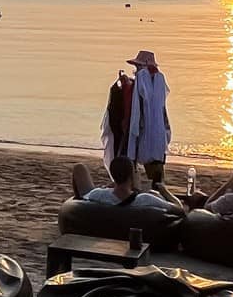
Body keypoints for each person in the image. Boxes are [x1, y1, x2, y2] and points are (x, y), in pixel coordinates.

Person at [122, 50, 171, 189]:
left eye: (138, 67)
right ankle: (157, 188)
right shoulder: (158, 84)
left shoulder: (144, 81)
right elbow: (162, 112)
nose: (136, 70)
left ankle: (142, 188)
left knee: (151, 169)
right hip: (158, 133)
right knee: (156, 171)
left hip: (145, 132)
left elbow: (139, 109)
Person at [70, 154, 178, 212]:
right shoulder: (146, 199)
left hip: (104, 222)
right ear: (132, 176)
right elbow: (179, 209)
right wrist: (164, 191)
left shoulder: (98, 195)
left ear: (113, 175)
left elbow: (81, 200)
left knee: (79, 168)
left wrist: (106, 188)